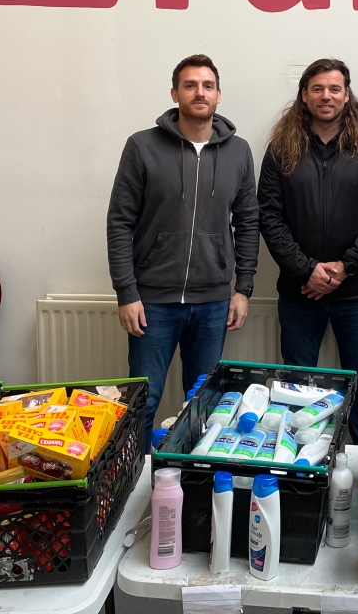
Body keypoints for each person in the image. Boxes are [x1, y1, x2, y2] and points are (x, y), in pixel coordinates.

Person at [106, 55, 259, 437]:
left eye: (207, 85)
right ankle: (133, 483)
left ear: (219, 95)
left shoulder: (238, 152)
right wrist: (127, 292)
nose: (199, 92)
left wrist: (242, 289)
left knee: (203, 403)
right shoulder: (142, 146)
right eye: (190, 85)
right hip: (152, 302)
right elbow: (119, 222)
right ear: (175, 93)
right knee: (143, 401)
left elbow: (248, 222)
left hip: (212, 302)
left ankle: (190, 486)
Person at [258, 58, 358, 443]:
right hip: (300, 294)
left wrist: (344, 267)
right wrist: (308, 270)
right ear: (304, 95)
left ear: (347, 95)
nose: (326, 96)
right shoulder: (281, 149)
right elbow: (269, 217)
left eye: (335, 89)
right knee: (296, 386)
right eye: (317, 88)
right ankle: (304, 464)